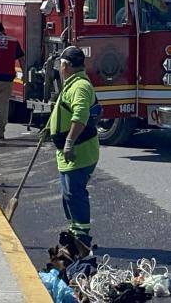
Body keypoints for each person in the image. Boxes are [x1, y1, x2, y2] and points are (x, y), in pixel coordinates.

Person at [48, 46, 99, 248]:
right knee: (68, 194)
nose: (59, 68)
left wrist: (69, 142)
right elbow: (63, 110)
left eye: (61, 64)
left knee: (74, 193)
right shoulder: (72, 84)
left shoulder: (80, 87)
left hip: (79, 151)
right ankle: (75, 229)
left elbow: (80, 116)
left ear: (66, 65)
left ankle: (82, 235)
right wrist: (48, 128)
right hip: (69, 153)